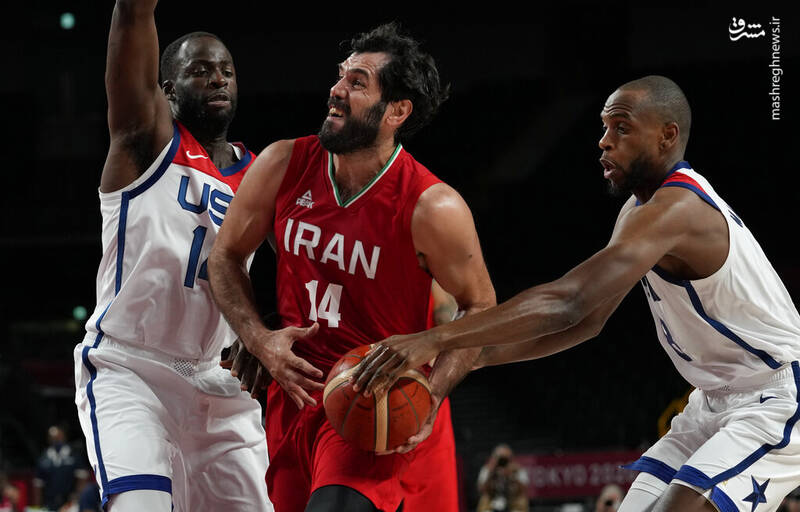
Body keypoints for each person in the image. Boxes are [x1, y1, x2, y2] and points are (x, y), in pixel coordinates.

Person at [352, 75, 800, 512]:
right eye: (604, 127)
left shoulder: (680, 208)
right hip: (713, 397)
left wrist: (434, 339)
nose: (604, 141)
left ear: (667, 136)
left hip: (778, 394)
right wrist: (472, 358)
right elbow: (588, 322)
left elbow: (570, 302)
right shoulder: (639, 210)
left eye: (621, 128)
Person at [208, 22, 496, 512]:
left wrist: (433, 391)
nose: (336, 90)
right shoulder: (283, 162)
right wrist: (259, 339)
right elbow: (225, 256)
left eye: (358, 82)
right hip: (291, 395)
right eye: (341, 75)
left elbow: (481, 307)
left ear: (397, 111)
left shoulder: (433, 206)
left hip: (370, 400)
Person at [72, 1, 270, 510]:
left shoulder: (261, 175)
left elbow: (296, 271)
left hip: (217, 380)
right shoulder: (144, 141)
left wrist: (261, 331)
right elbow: (133, 15)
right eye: (200, 70)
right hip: (130, 367)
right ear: (167, 91)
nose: (218, 79)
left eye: (226, 71)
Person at [477, 443, 529, 512]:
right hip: (492, 500)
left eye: (506, 458)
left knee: (521, 500)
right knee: (484, 499)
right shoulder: (488, 469)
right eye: (500, 458)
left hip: (512, 500)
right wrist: (491, 474)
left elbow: (524, 489)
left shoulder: (517, 469)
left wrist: (512, 476)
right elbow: (481, 489)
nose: (503, 461)